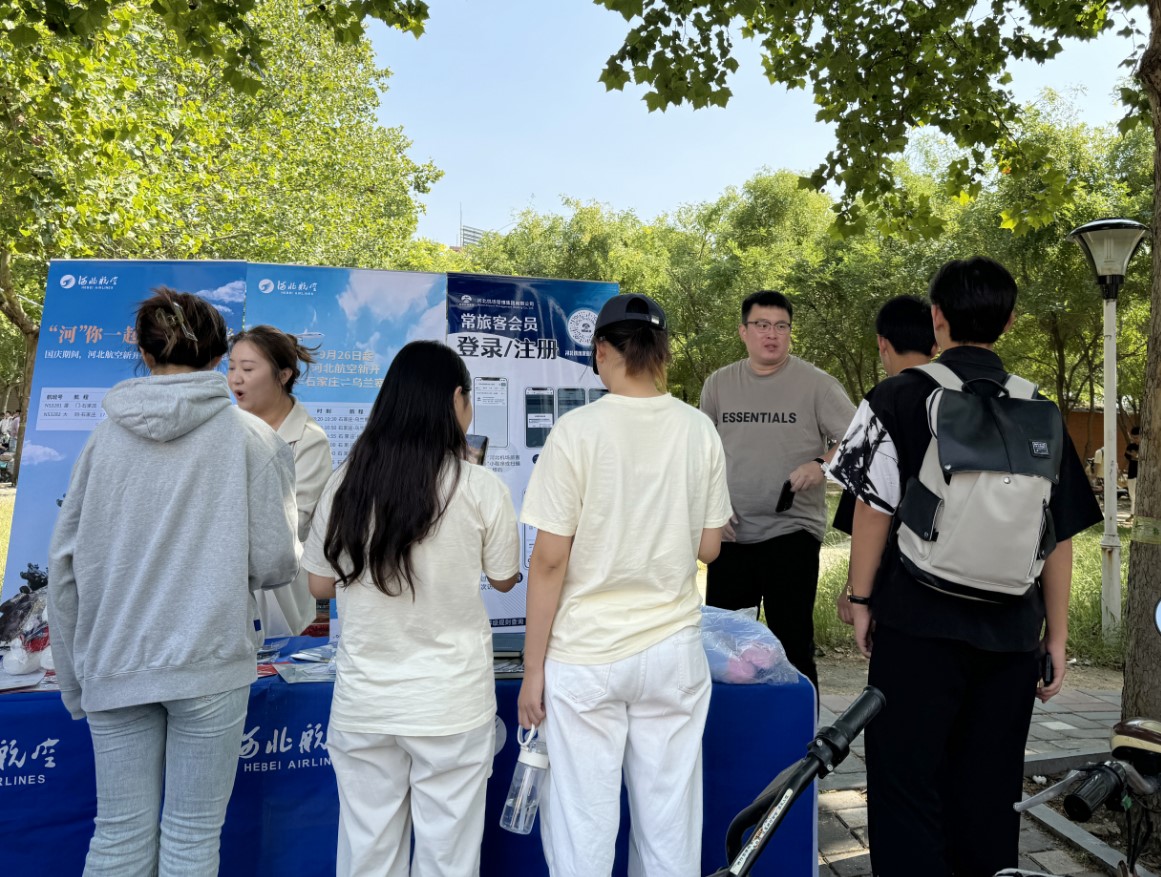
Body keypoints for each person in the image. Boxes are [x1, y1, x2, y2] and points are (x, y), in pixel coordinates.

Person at [827, 258, 1100, 877]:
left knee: (905, 785)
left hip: (916, 624)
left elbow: (871, 512)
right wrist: (1054, 636)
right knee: (989, 791)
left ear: (937, 318)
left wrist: (862, 600)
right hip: (1009, 636)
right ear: (1007, 321)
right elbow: (1058, 539)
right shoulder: (1043, 412)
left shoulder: (897, 396)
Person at [48, 287, 299, 877]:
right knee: (191, 838)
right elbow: (274, 564)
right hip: (209, 660)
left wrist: (73, 677)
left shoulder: (101, 441)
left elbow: (63, 566)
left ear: (144, 350)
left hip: (114, 657)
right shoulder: (254, 440)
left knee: (117, 836)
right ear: (218, 356)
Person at [517, 293, 732, 877]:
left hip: (586, 653)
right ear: (661, 352)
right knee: (668, 820)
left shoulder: (576, 430)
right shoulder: (698, 429)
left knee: (583, 821)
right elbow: (710, 547)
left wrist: (532, 669)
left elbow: (550, 561)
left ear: (603, 350)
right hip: (672, 649)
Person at [303, 340, 519, 877]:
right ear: (456, 400)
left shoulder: (347, 483)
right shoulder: (479, 486)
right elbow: (504, 577)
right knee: (448, 858)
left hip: (366, 703)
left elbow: (319, 585)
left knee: (367, 853)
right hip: (450, 703)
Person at [699, 289, 855, 690]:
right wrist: (712, 509)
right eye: (762, 325)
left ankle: (806, 742)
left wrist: (820, 464)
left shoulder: (816, 384)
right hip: (732, 536)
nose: (772, 334)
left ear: (789, 333)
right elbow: (702, 455)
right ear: (743, 331)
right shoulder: (719, 384)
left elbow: (860, 438)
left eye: (781, 326)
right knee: (725, 649)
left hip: (792, 533)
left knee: (793, 642)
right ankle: (733, 740)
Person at [834, 294, 936, 623]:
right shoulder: (980, 398)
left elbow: (868, 508)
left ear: (882, 343)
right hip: (990, 590)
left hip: (904, 585)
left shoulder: (884, 400)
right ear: (936, 345)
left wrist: (856, 591)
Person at [228, 325, 333, 636]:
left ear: (283, 375)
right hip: (226, 594)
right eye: (231, 367)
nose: (235, 378)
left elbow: (294, 523)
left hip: (282, 600)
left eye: (248, 368)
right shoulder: (226, 430)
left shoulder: (308, 439)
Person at [1126, 425, 1140, 518]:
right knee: (1132, 494)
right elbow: (1127, 456)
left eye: (1136, 437)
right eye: (1133, 438)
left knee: (1137, 495)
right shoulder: (1131, 446)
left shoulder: (1147, 447)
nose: (1134, 440)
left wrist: (1136, 456)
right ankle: (1133, 513)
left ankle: (1133, 514)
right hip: (1131, 473)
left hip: (1141, 474)